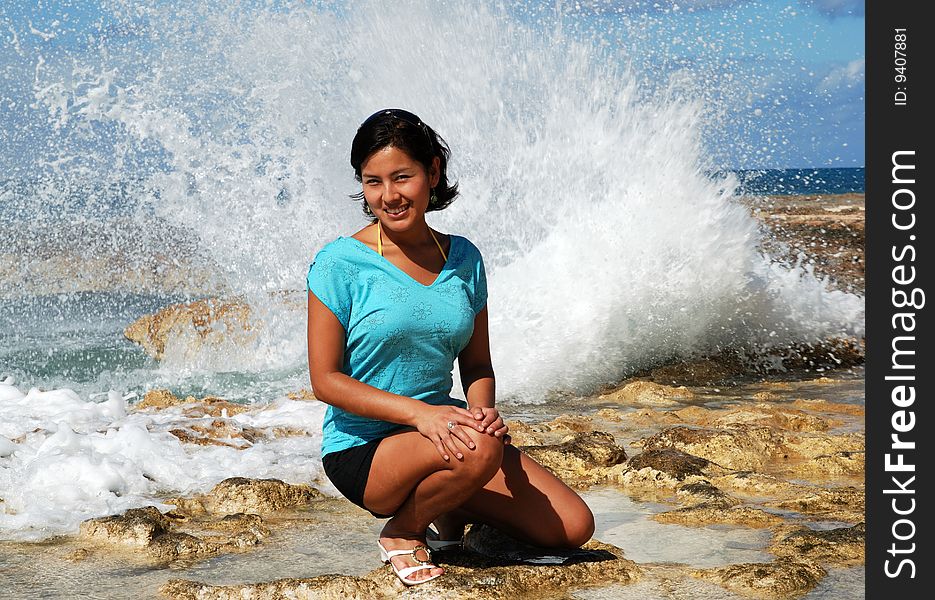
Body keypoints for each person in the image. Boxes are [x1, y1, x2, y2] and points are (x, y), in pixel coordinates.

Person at [306, 109, 594, 586]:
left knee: (572, 528)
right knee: (478, 449)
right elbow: (326, 381)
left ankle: (450, 506)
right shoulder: (340, 263)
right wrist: (422, 415)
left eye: (403, 177)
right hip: (365, 450)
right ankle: (403, 529)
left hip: (448, 437)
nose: (389, 196)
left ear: (433, 172)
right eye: (372, 182)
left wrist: (482, 412)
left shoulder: (464, 258)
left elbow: (477, 363)